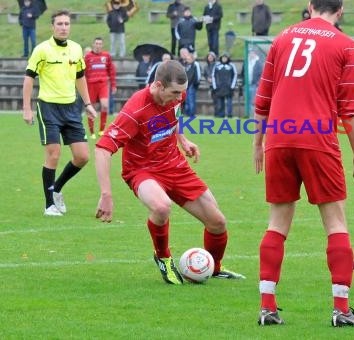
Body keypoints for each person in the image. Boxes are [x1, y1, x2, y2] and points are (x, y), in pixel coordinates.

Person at [253, 0, 354, 327]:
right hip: (317, 139)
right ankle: (340, 310)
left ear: (309, 6)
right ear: (340, 12)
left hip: (279, 138)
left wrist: (258, 144)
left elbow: (263, 97)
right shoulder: (345, 45)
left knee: (277, 221)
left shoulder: (281, 39)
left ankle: (268, 307)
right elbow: (349, 110)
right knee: (336, 222)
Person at [94, 60, 244, 284]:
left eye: (182, 92)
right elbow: (103, 149)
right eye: (174, 92)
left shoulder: (176, 95)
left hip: (175, 165)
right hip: (142, 169)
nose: (179, 97)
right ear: (158, 85)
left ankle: (213, 267)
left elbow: (175, 114)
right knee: (162, 207)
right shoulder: (136, 110)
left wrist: (182, 139)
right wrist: (106, 194)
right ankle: (163, 258)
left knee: (217, 222)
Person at [22, 9, 98, 216]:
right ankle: (49, 205)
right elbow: (29, 79)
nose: (64, 27)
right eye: (60, 24)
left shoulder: (76, 49)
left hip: (72, 108)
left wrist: (88, 103)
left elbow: (80, 77)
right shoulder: (42, 50)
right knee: (53, 154)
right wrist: (27, 109)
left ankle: (56, 188)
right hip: (48, 107)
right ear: (52, 27)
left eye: (66, 24)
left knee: (82, 157)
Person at [84, 37, 117, 139]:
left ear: (102, 45)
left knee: (105, 106)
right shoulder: (88, 57)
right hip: (91, 84)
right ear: (93, 44)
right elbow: (83, 72)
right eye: (96, 43)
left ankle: (102, 130)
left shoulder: (106, 56)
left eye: (100, 44)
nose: (98, 45)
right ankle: (92, 132)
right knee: (91, 109)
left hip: (103, 83)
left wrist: (113, 84)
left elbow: (111, 70)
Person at [212, 53, 237, 118]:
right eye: (223, 58)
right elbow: (213, 76)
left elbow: (235, 75)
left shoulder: (231, 66)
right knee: (220, 103)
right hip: (219, 87)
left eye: (225, 58)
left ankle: (229, 114)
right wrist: (215, 86)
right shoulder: (217, 66)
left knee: (229, 103)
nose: (224, 59)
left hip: (228, 87)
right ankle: (221, 114)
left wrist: (232, 86)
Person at [180, 47, 201, 117]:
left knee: (191, 100)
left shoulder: (195, 64)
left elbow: (198, 75)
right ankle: (187, 113)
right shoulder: (186, 65)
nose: (187, 59)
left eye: (189, 57)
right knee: (187, 100)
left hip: (192, 85)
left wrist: (196, 83)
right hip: (186, 85)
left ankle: (192, 114)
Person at [246, 48, 264, 117]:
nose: (251, 54)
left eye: (252, 53)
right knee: (248, 100)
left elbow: (261, 73)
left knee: (253, 101)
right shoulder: (246, 62)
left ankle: (252, 116)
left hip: (254, 85)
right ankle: (249, 115)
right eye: (250, 53)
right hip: (247, 84)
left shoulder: (258, 62)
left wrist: (257, 83)